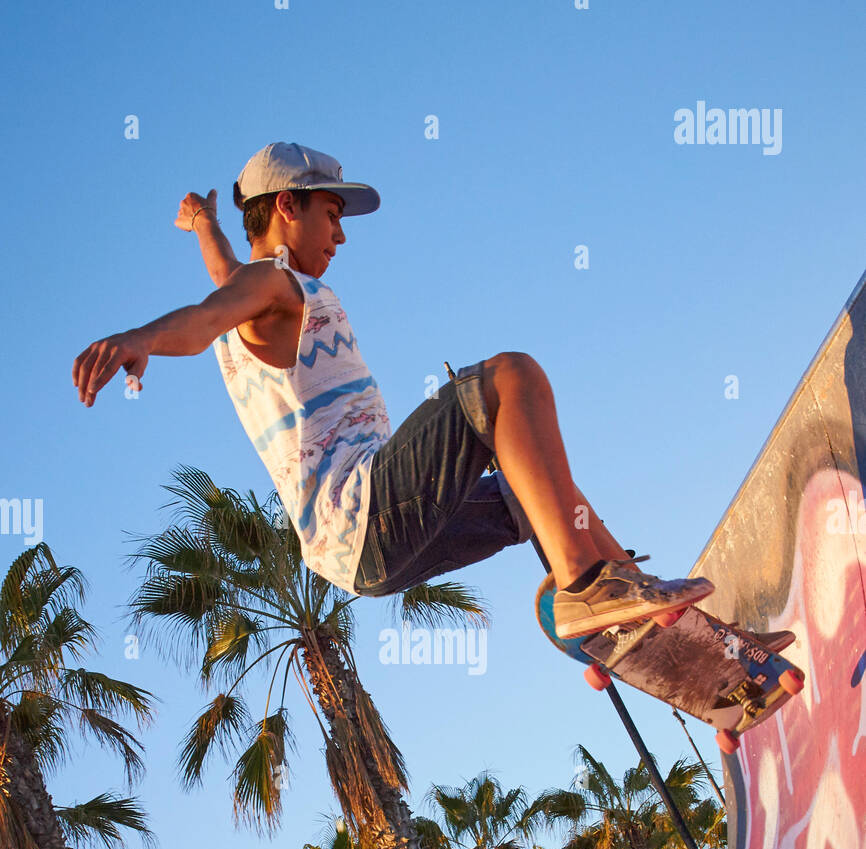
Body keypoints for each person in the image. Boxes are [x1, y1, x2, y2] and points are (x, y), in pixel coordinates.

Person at [73, 142, 712, 636]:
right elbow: (203, 317)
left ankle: (628, 594)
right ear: (289, 206)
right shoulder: (269, 284)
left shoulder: (248, 287)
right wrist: (139, 338)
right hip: (365, 512)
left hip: (362, 554)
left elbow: (221, 280)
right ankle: (586, 587)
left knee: (540, 484)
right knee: (510, 377)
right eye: (331, 215)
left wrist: (203, 224)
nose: (341, 235)